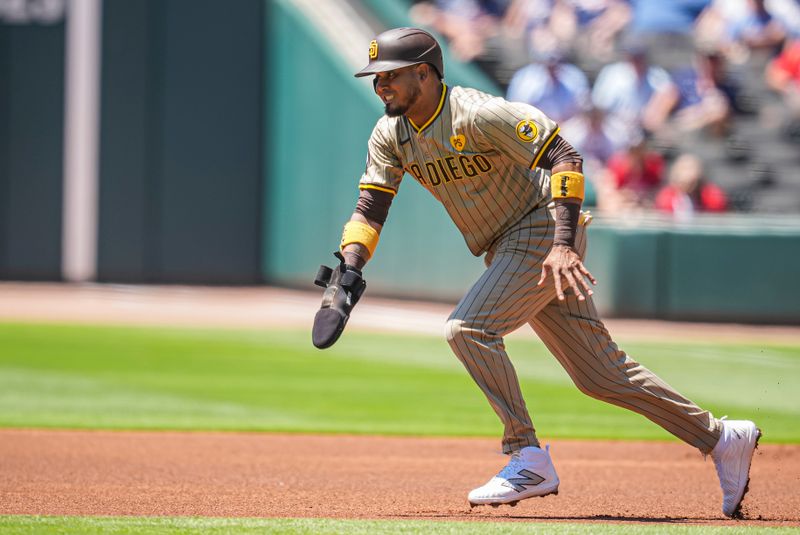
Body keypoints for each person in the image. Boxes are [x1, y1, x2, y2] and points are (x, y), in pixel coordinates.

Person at [313, 27, 760, 518]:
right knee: (602, 376)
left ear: (425, 72)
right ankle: (721, 438)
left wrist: (565, 245)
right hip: (507, 245)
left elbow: (565, 154)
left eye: (391, 76)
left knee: (468, 328)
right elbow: (370, 207)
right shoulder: (390, 133)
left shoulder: (479, 113)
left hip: (542, 228)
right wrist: (348, 271)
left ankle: (525, 453)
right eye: (376, 79)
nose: (381, 87)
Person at [655, 153, 728, 219]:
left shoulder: (712, 196)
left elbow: (716, 220)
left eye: (691, 169)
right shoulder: (666, 196)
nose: (687, 174)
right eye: (683, 169)